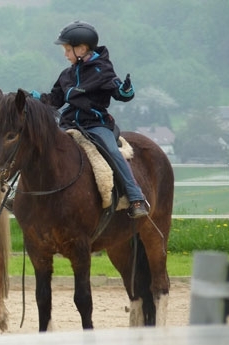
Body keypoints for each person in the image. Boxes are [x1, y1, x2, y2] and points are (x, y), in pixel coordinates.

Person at [32, 20, 148, 218]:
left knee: (112, 151)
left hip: (96, 124)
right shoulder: (66, 74)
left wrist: (126, 90)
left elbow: (120, 94)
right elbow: (55, 100)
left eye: (68, 50)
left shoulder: (103, 70)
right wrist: (37, 99)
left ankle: (136, 197)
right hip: (69, 124)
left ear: (82, 49)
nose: (65, 54)